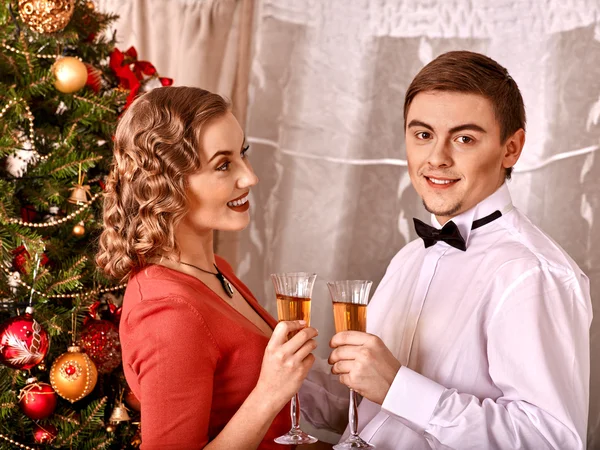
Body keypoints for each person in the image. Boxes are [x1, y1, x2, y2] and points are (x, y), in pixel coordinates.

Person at [300, 51, 592, 449]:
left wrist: (399, 387)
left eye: (464, 138)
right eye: (422, 135)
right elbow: (373, 419)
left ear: (511, 148)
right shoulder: (409, 258)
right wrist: (286, 376)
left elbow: (548, 440)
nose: (436, 158)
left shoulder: (532, 274)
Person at [96, 86, 318, 449]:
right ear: (168, 185)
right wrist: (270, 392)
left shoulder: (214, 270)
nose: (249, 178)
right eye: (223, 165)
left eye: (242, 154)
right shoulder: (168, 313)